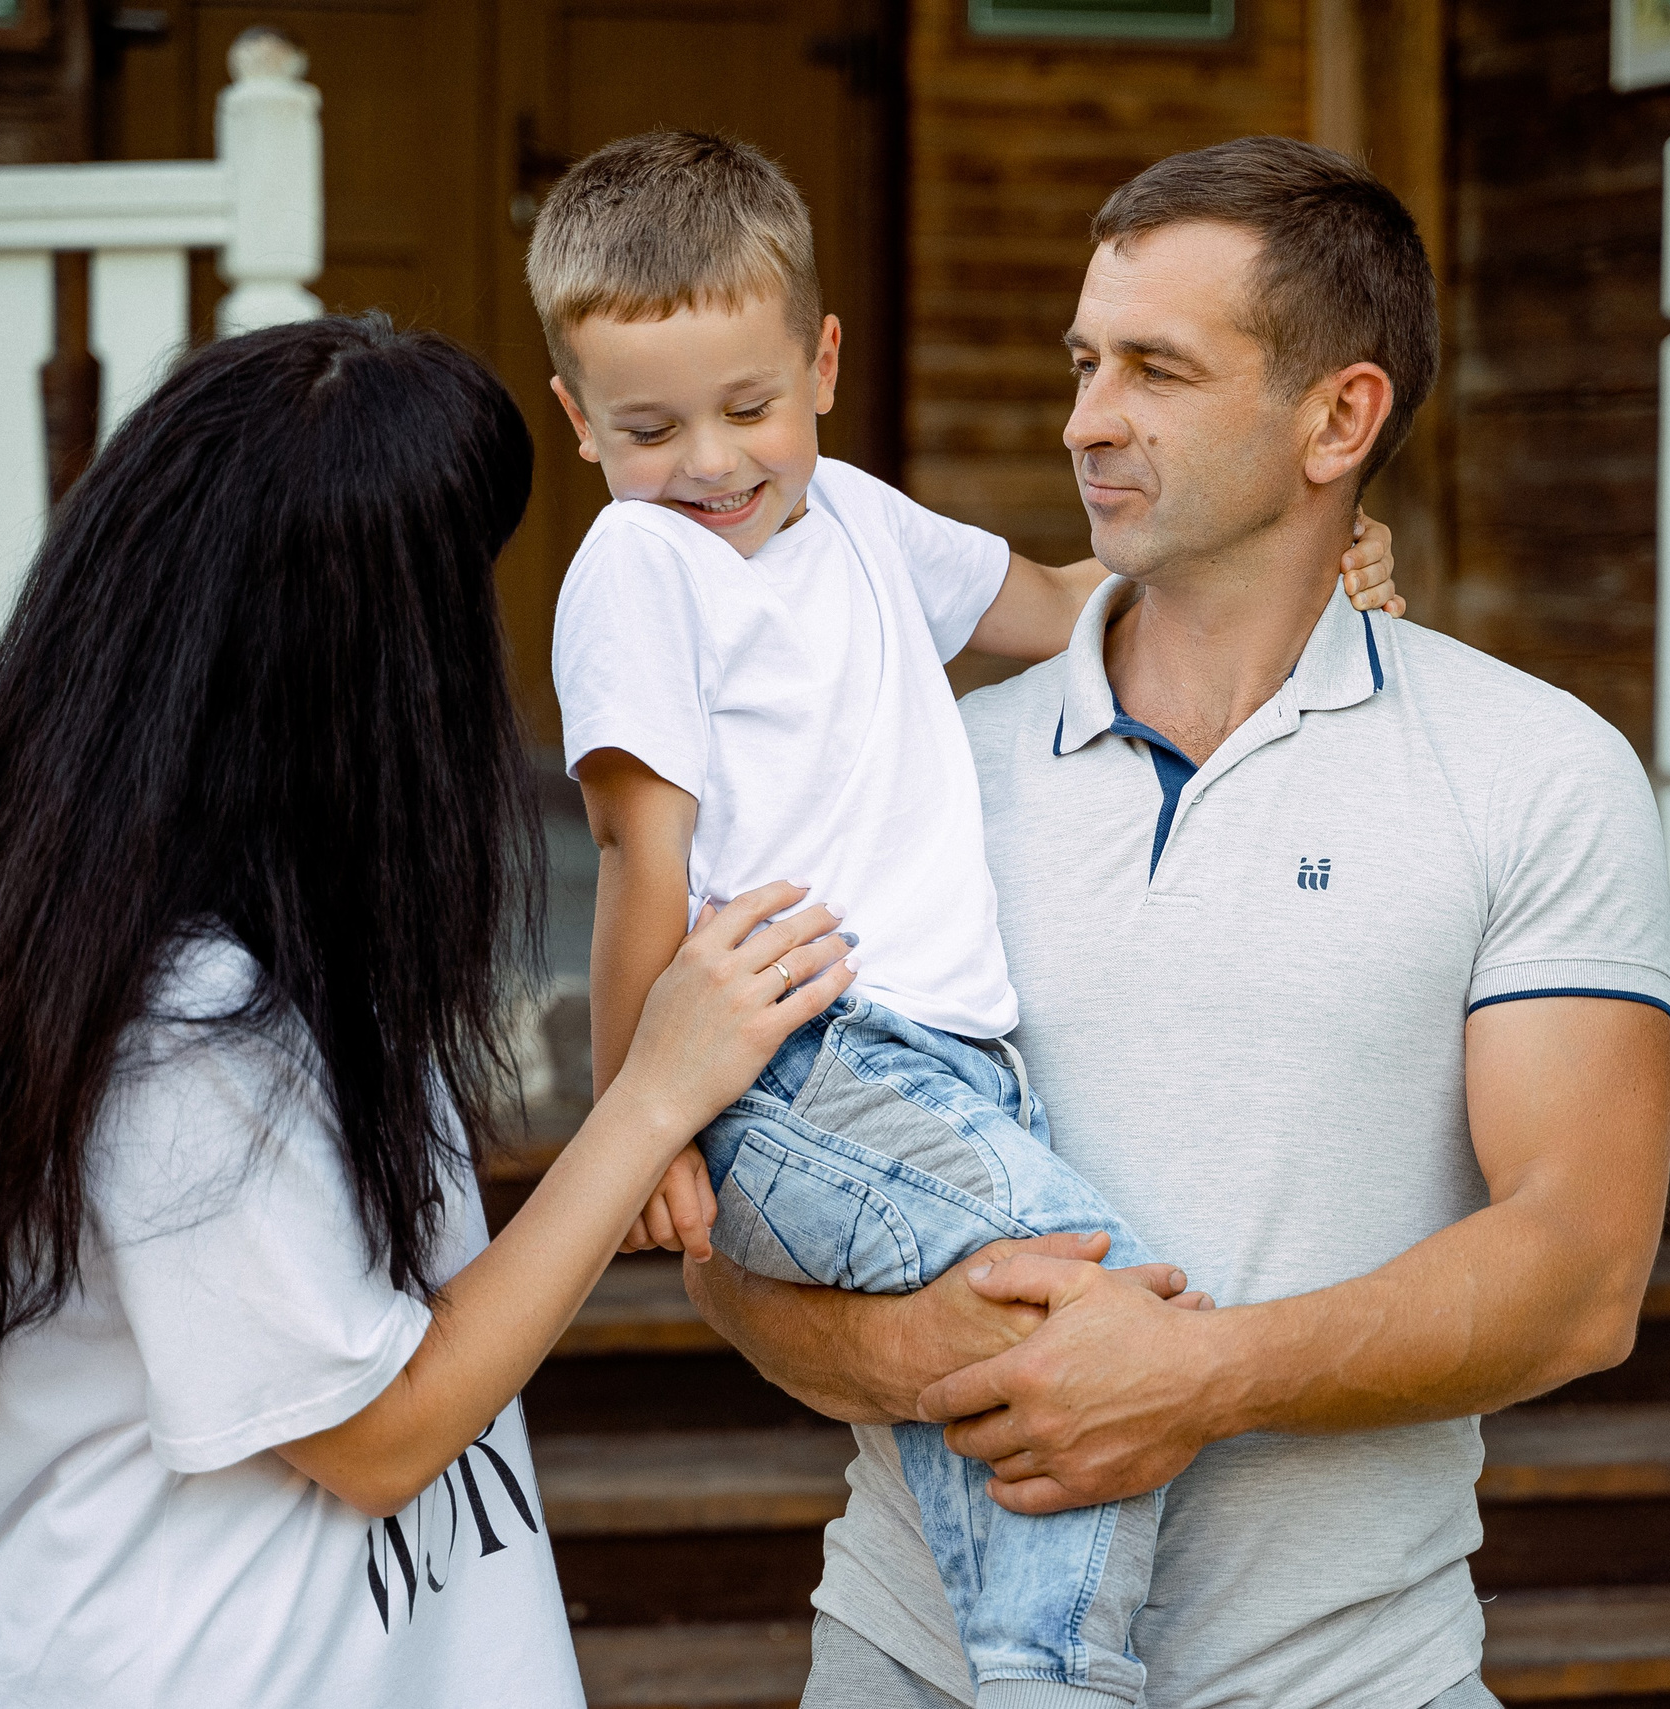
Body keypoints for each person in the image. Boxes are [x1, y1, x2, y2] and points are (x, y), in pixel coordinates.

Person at [687, 138, 1670, 1709]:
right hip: (912, 1668)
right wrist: (936, 1353)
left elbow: (1582, 1267)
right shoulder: (924, 775)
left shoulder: (1535, 773)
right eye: (1085, 361)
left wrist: (1200, 1378)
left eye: (1156, 368)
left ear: (1338, 418)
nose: (1087, 417)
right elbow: (741, 1232)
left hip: (1359, 1678)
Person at [0, 314, 862, 1708]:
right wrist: (647, 1100)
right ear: (358, 666)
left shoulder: (286, 949)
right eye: (457, 597)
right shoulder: (178, 1024)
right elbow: (382, 1433)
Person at [531, 133, 1402, 1709]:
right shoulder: (638, 567)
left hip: (939, 1067)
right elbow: (636, 861)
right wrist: (636, 1126)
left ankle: (1015, 1666)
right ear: (578, 420)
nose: (713, 462)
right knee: (1105, 1306)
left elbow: (1070, 603)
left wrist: (1313, 569)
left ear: (825, 362)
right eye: (650, 426)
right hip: (801, 1061)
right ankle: (1052, 1680)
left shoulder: (855, 520)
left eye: (751, 407)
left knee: (1015, 1383)